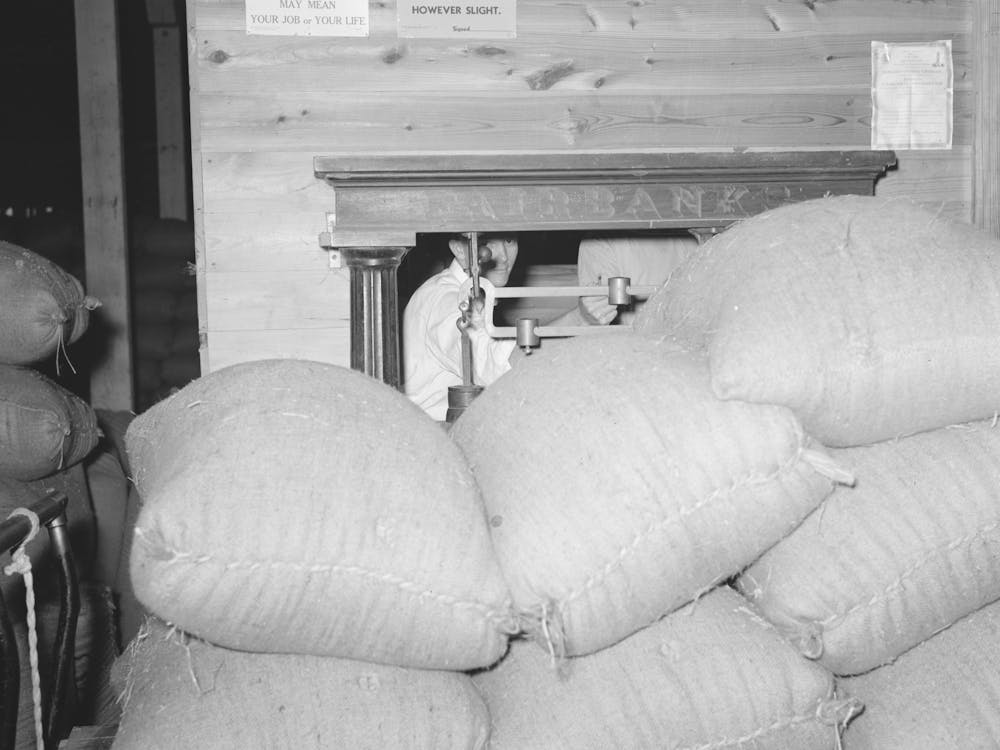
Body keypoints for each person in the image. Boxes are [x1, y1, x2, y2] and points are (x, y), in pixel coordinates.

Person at [403, 236, 616, 421]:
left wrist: (580, 320)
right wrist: (579, 320)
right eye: (487, 243)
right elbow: (495, 366)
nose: (504, 256)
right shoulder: (443, 301)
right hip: (436, 440)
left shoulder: (472, 293)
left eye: (509, 241)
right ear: (459, 248)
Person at [577, 233, 699, 326]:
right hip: (631, 346)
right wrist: (587, 315)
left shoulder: (693, 240)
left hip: (673, 345)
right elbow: (601, 311)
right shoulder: (599, 242)